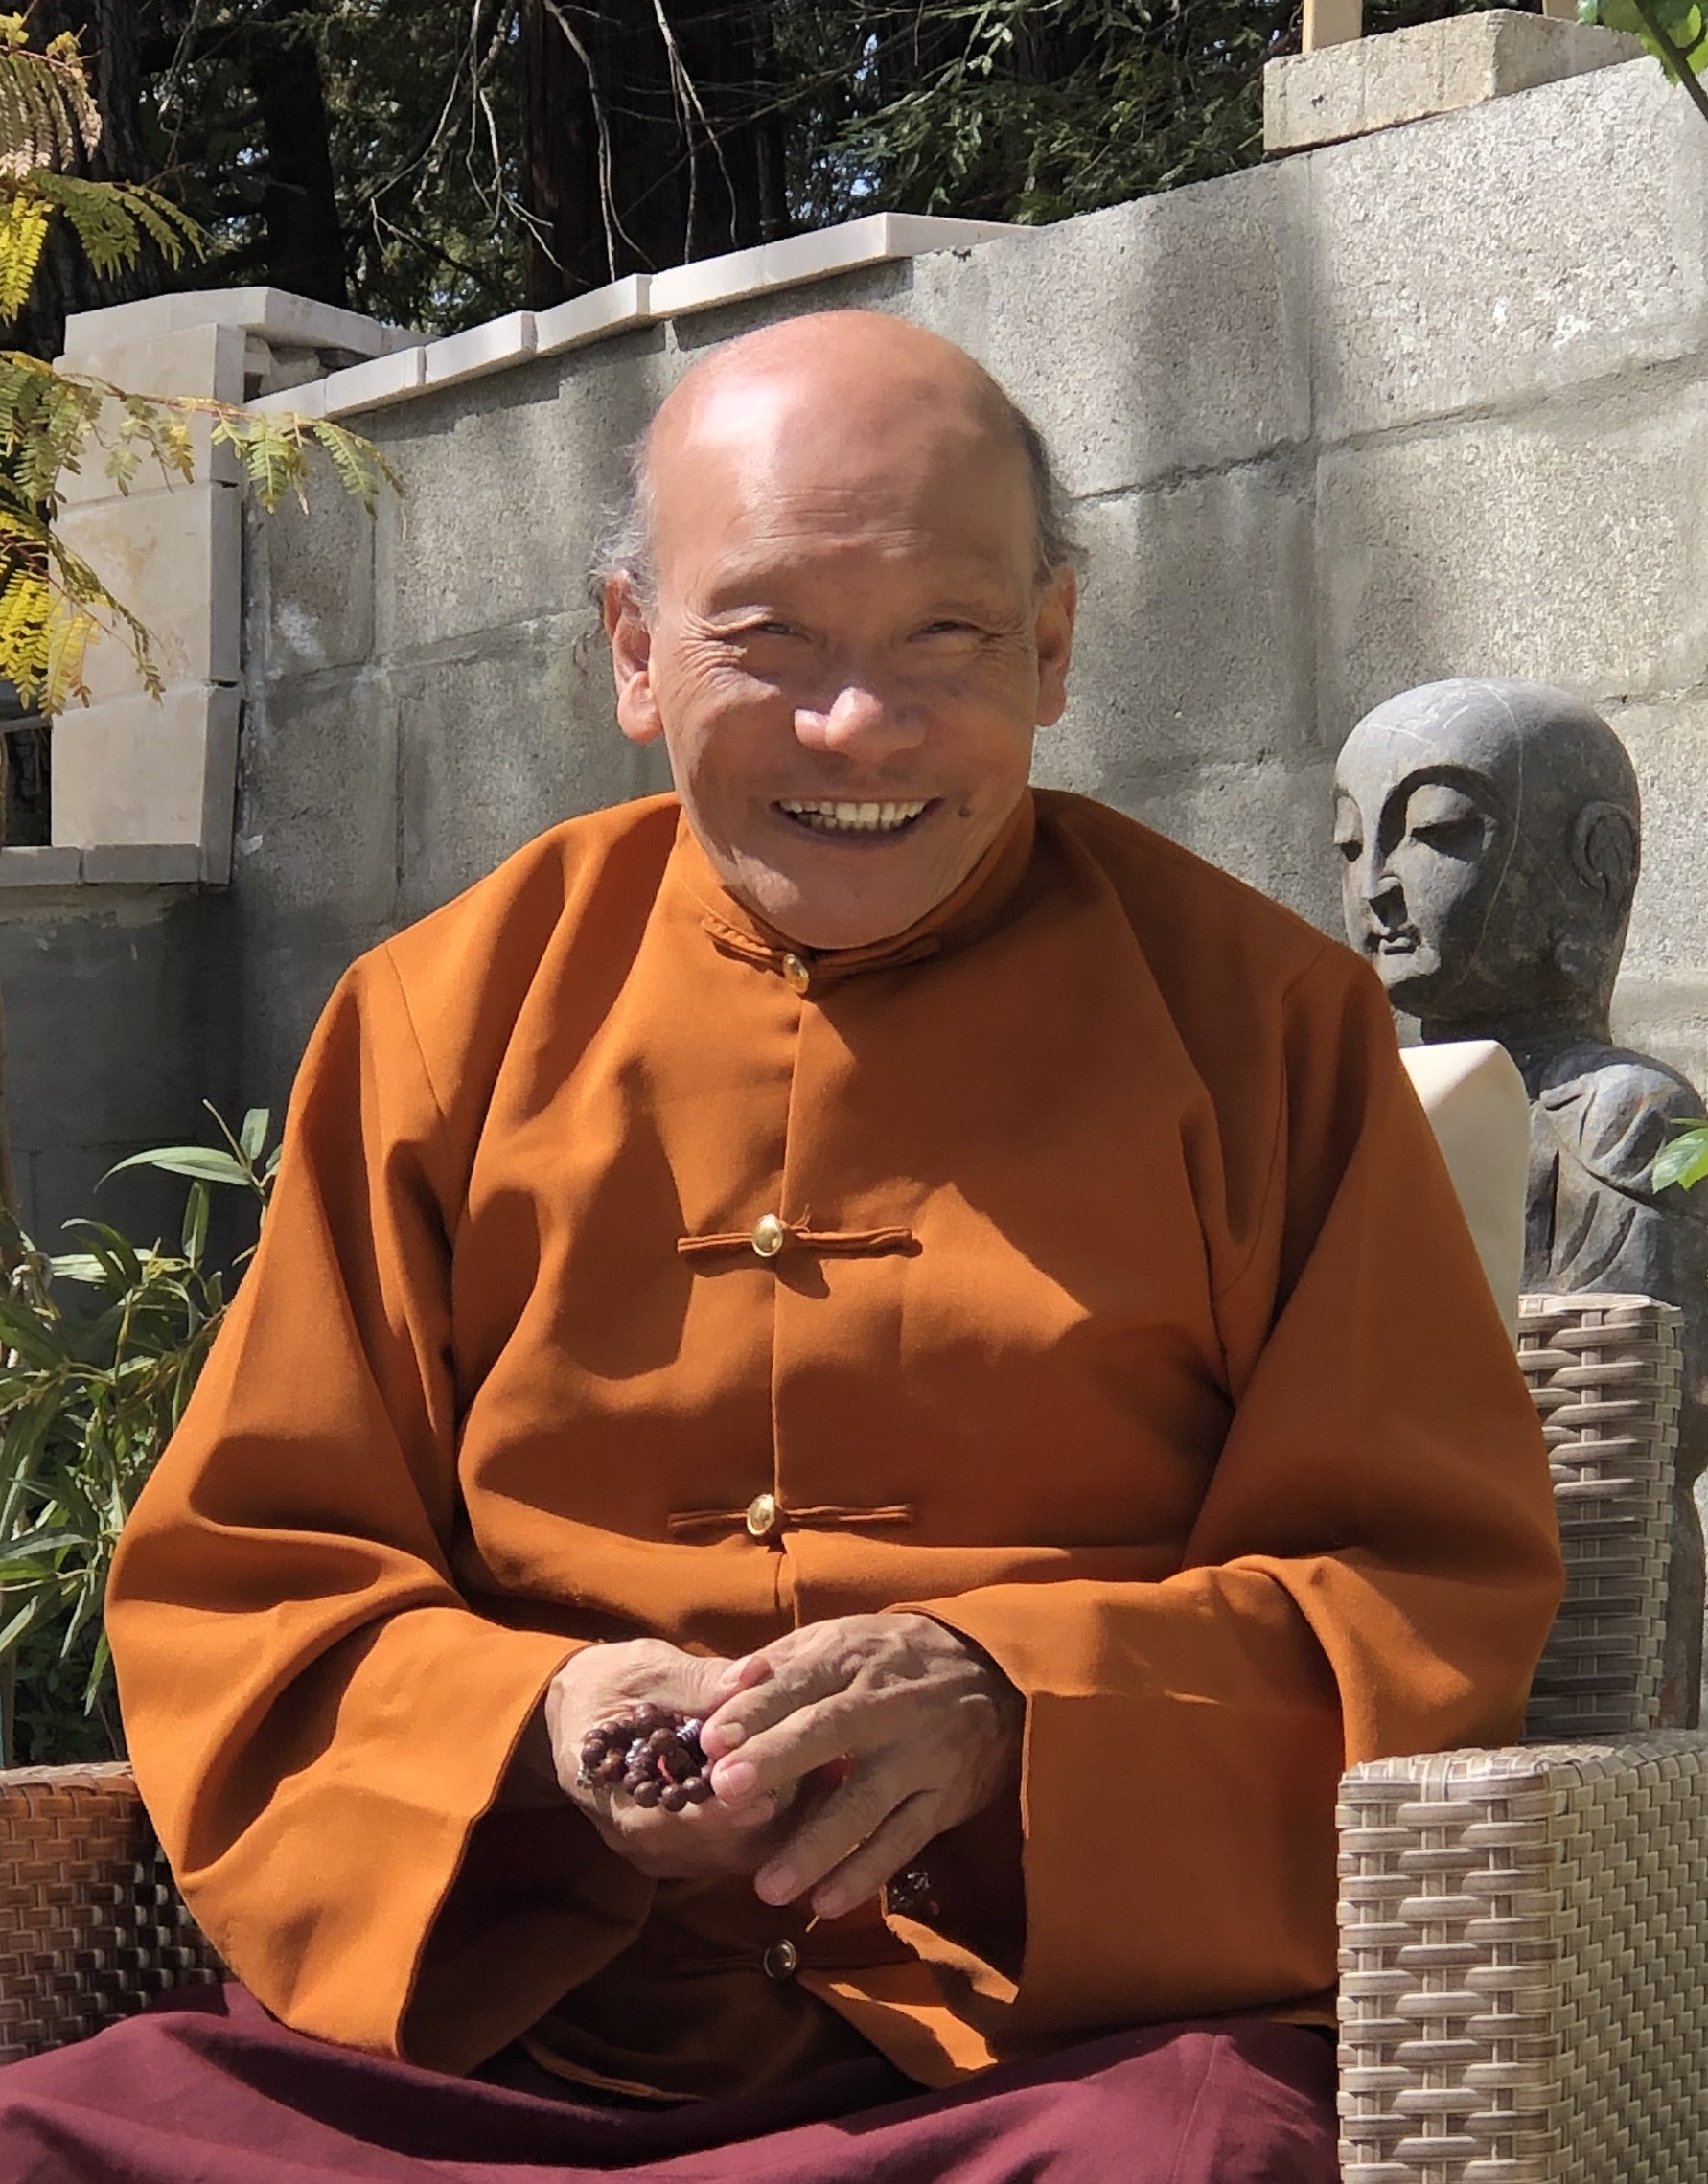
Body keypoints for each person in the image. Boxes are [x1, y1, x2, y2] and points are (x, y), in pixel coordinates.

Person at [0, 314, 1562, 2183]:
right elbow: (249, 1579)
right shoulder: (441, 1020)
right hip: (500, 2046)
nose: (857, 726)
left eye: (946, 637)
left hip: (1032, 2050)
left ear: (1053, 646)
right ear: (636, 651)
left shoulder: (1265, 1028)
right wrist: (540, 1719)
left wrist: (1011, 1701)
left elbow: (1420, 1596)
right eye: (769, 638)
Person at [1334, 675, 1708, 1722]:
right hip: (1387, 1583)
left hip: (1588, 1580)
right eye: (1353, 845)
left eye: (1438, 833)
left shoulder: (1644, 1118)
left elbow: (1662, 1389)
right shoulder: (1351, 1103)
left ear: (1592, 866)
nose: (1381, 887)